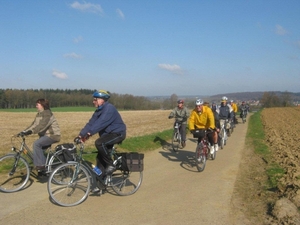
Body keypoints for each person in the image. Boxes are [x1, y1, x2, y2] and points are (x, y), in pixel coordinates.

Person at [74, 90, 126, 177]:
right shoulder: (98, 110)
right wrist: (81, 135)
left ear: (102, 100)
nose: (93, 101)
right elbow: (91, 123)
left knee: (99, 143)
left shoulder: (109, 108)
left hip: (117, 133)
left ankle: (111, 164)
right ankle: (100, 185)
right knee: (100, 160)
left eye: (95, 99)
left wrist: (88, 134)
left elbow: (100, 123)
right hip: (107, 135)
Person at [19, 98, 61, 172]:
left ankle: (41, 165)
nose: (36, 106)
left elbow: (42, 125)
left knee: (36, 144)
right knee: (39, 152)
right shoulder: (39, 114)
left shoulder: (48, 114)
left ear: (42, 105)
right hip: (45, 136)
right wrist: (24, 131)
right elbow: (33, 125)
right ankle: (45, 169)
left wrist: (31, 132)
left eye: (37, 104)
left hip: (53, 136)